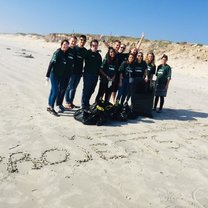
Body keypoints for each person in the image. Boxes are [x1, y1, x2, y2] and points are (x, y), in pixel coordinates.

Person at [45, 39, 72, 116]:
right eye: (64, 44)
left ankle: (49, 106)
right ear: (61, 45)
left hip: (60, 76)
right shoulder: (57, 52)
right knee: (56, 91)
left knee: (52, 90)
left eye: (67, 45)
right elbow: (51, 63)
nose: (65, 46)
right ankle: (51, 108)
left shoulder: (65, 53)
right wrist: (47, 76)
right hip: (53, 75)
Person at [65, 35, 87, 109]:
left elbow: (86, 61)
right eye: (81, 39)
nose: (82, 41)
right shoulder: (74, 48)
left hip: (79, 72)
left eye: (84, 40)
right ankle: (67, 102)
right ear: (79, 40)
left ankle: (71, 102)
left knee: (74, 88)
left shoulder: (85, 51)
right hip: (71, 72)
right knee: (69, 87)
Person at [56, 35, 77, 113]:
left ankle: (60, 104)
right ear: (69, 41)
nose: (73, 43)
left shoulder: (74, 51)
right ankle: (57, 105)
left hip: (68, 73)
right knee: (60, 89)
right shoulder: (65, 49)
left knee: (64, 89)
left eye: (74, 41)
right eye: (72, 41)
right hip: (62, 73)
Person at [81, 39, 102, 110]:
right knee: (86, 89)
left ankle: (87, 103)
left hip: (95, 76)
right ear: (90, 46)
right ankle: (84, 104)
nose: (95, 47)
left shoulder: (99, 56)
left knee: (92, 90)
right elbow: (80, 58)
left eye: (96, 45)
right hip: (87, 74)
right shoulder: (87, 53)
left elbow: (100, 66)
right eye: (93, 45)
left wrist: (100, 76)